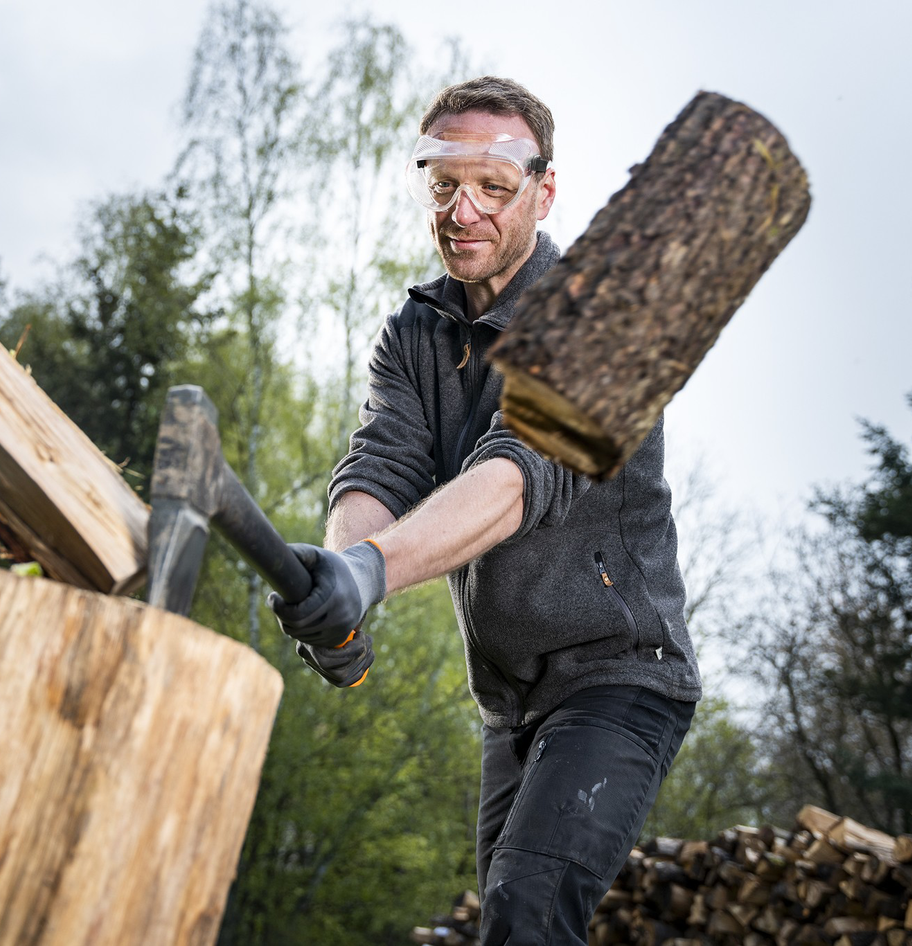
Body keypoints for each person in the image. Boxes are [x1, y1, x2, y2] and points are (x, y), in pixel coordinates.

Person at [269, 76, 702, 945]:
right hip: (510, 704)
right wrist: (341, 584)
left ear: (544, 191)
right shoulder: (418, 331)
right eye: (443, 186)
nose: (463, 211)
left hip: (619, 676)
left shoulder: (601, 321)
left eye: (494, 189)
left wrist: (370, 569)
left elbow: (517, 477)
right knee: (513, 926)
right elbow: (381, 465)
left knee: (528, 913)